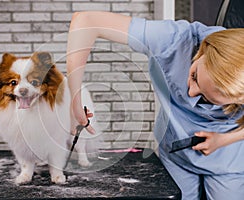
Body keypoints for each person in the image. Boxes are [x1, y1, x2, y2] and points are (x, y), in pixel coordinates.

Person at [65, 11, 244, 200]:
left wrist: (225, 139)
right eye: (194, 76)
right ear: (205, 50)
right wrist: (75, 100)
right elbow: (87, 20)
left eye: (207, 99)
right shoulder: (174, 39)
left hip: (227, 160)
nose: (190, 93)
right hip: (175, 154)